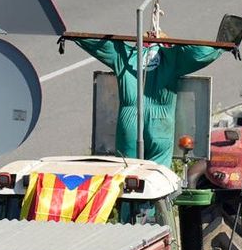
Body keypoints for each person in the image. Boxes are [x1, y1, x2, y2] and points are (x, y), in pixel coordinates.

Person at [71, 35, 222, 166]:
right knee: (158, 176)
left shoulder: (125, 54)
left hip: (129, 122)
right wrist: (221, 48)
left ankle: (127, 200)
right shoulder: (173, 57)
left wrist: (74, 38)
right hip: (161, 122)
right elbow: (200, 53)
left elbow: (98, 44)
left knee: (127, 172)